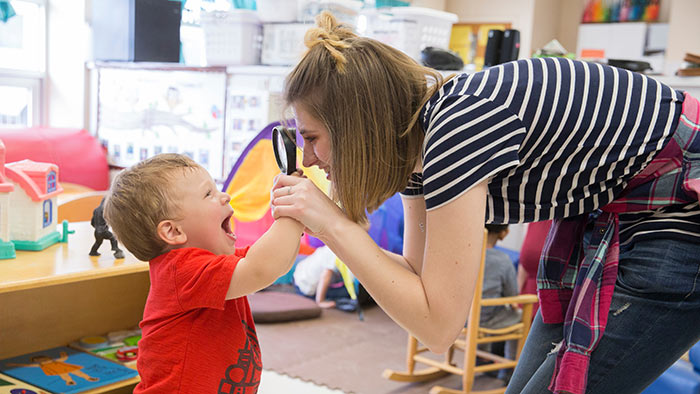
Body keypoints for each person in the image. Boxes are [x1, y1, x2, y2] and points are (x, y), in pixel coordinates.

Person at [270, 11, 700, 394]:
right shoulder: (415, 145)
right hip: (624, 212)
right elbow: (418, 281)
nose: (307, 159)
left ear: (360, 127)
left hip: (681, 209)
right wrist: (338, 233)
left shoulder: (457, 127)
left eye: (311, 138)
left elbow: (438, 325)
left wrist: (335, 227)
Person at [103, 153, 304, 394]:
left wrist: (297, 221)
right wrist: (294, 211)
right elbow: (263, 268)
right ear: (173, 231)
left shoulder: (216, 263)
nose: (225, 196)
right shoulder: (181, 271)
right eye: (208, 194)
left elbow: (273, 261)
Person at [479, 224, 520, 382]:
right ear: (504, 233)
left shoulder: (468, 252)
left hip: (460, 318)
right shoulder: (503, 260)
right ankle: (508, 370)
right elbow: (512, 295)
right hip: (487, 320)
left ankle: (480, 358)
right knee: (518, 315)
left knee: (481, 309)